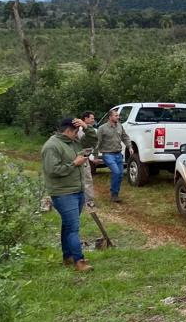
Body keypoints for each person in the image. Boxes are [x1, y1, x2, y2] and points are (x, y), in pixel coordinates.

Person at [41, 117, 93, 272]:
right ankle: (79, 261)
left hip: (77, 190)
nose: (78, 135)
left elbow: (93, 141)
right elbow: (52, 170)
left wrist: (86, 127)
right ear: (69, 131)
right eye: (76, 132)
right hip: (63, 193)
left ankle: (68, 257)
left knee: (67, 226)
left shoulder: (73, 142)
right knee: (73, 228)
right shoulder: (51, 146)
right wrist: (74, 164)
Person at [96, 108, 130, 203]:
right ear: (110, 117)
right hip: (108, 154)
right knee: (116, 172)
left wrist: (130, 146)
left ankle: (115, 194)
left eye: (118, 115)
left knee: (120, 175)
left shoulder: (120, 126)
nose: (118, 117)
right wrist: (95, 156)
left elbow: (125, 137)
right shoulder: (102, 128)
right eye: (116, 115)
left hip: (118, 154)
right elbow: (97, 142)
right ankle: (114, 194)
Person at [77, 111, 98, 207]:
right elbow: (83, 142)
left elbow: (95, 143)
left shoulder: (91, 130)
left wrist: (95, 155)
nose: (93, 120)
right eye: (91, 118)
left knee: (87, 179)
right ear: (85, 119)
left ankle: (88, 200)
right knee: (85, 179)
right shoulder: (80, 129)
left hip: (85, 157)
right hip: (78, 156)